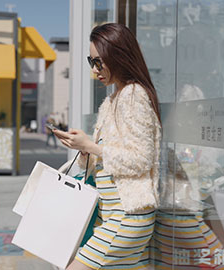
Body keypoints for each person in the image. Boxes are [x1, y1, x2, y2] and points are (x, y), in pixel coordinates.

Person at [53, 23, 162, 270]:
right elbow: (105, 159)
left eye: (99, 62)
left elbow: (141, 160)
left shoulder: (134, 96)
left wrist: (92, 147)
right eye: (91, 61)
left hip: (128, 214)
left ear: (119, 56)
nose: (94, 70)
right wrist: (84, 147)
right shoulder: (113, 100)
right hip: (112, 214)